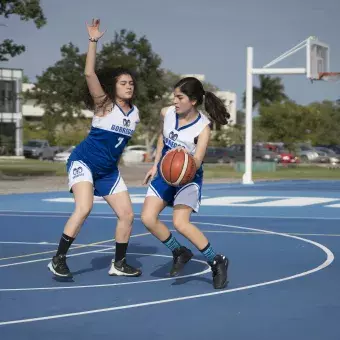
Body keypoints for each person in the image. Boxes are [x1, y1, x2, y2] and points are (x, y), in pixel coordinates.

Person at [48, 19, 141, 278]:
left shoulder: (134, 114)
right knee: (85, 207)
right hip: (84, 163)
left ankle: (119, 263)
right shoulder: (104, 105)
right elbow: (90, 74)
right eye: (124, 82)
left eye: (131, 82)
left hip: (108, 171)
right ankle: (58, 259)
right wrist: (92, 41)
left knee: (127, 215)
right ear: (113, 86)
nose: (129, 85)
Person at [141, 77, 230, 289]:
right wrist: (155, 164)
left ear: (193, 101)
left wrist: (185, 158)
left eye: (180, 97)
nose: (175, 101)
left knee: (180, 223)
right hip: (165, 171)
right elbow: (163, 138)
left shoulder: (203, 128)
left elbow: (197, 161)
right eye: (174, 96)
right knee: (147, 218)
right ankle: (179, 251)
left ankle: (216, 260)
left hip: (188, 177)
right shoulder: (167, 113)